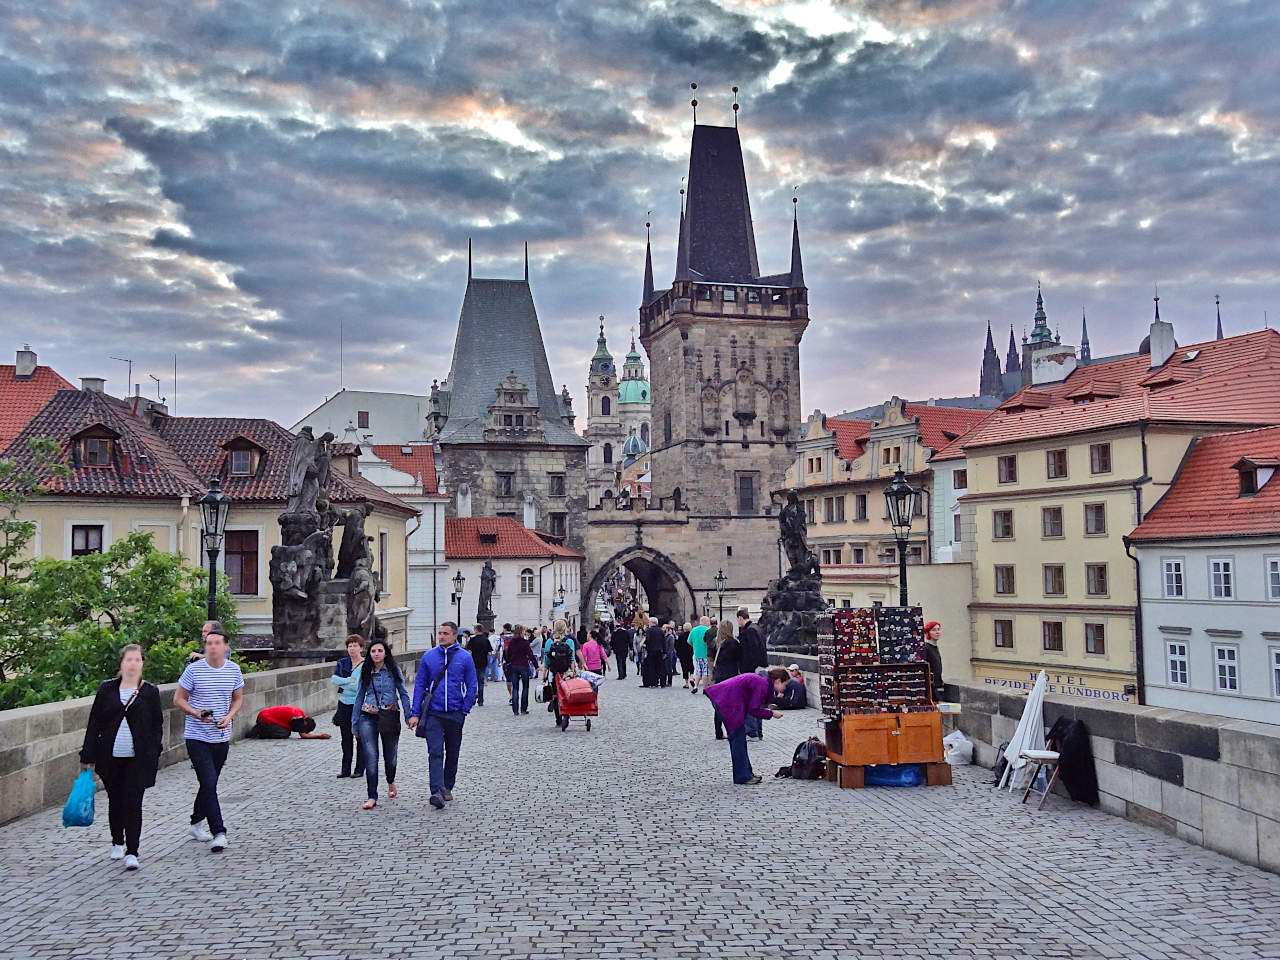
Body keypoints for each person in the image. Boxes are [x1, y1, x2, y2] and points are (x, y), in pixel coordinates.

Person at [79, 643, 163, 871]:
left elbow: (157, 724)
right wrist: (87, 755)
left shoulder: (150, 692)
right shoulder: (107, 690)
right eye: (129, 660)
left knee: (133, 803)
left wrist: (155, 749)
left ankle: (133, 850)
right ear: (121, 663)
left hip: (138, 757)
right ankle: (117, 840)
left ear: (142, 663)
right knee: (116, 801)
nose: (133, 664)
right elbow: (94, 722)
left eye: (137, 660)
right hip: (111, 756)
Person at [173, 622, 244, 852]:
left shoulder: (233, 669)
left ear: (225, 646)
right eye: (208, 643)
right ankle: (219, 832)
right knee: (209, 782)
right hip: (197, 735)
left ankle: (195, 822)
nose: (212, 647)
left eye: (216, 643)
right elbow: (178, 699)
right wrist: (195, 713)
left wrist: (230, 716)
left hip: (221, 735)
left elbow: (238, 699)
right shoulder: (193, 670)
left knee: (208, 783)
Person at [411, 621, 479, 809]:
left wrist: (465, 708)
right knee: (435, 752)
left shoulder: (464, 657)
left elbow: (472, 684)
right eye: (439, 633)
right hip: (434, 712)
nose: (441, 636)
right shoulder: (429, 657)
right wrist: (415, 713)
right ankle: (437, 791)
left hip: (456, 712)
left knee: (453, 751)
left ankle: (448, 785)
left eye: (445, 633)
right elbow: (419, 685)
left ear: (454, 635)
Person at [351, 638, 413, 810]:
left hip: (390, 716)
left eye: (379, 651)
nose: (376, 654)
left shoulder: (393, 670)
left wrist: (409, 716)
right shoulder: (366, 670)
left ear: (385, 653)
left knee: (390, 756)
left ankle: (390, 781)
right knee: (371, 756)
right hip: (367, 716)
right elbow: (359, 697)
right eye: (373, 651)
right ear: (369, 654)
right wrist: (354, 724)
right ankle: (372, 796)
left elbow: (403, 693)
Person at [704, 667, 789, 785]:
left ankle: (747, 774)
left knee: (739, 739)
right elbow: (753, 710)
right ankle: (742, 776)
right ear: (778, 681)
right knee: (737, 739)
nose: (784, 688)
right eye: (784, 684)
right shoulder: (763, 684)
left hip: (726, 699)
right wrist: (772, 714)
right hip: (727, 701)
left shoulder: (762, 681)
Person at [331, 635, 366, 778]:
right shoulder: (342, 663)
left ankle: (359, 769)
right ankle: (345, 768)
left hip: (359, 704)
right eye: (350, 646)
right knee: (345, 737)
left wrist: (346, 682)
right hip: (344, 703)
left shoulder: (365, 664)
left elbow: (358, 685)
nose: (352, 648)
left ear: (361, 648)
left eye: (355, 646)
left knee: (360, 737)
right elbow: (334, 679)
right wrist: (349, 681)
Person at [736, 608, 768, 741]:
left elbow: (750, 653)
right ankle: (758, 732)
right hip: (760, 668)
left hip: (752, 670)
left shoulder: (748, 632)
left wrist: (746, 671)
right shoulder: (757, 628)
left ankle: (752, 732)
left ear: (740, 618)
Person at [709, 619, 741, 740]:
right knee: (731, 705)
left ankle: (718, 731)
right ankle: (731, 729)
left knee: (719, 705)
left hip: (719, 676)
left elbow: (711, 657)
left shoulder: (715, 642)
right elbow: (738, 658)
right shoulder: (733, 643)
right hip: (731, 676)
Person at [503, 622, 538, 715]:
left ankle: (515, 710)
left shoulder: (511, 642)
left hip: (514, 666)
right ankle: (523, 709)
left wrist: (509, 661)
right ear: (522, 632)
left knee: (515, 688)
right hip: (524, 665)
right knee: (525, 687)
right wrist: (536, 666)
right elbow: (530, 655)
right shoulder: (525, 642)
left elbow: (507, 654)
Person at [246, 705, 332, 739]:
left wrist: (319, 736)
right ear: (305, 724)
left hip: (264, 715)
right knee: (285, 733)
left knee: (286, 731)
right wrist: (319, 736)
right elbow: (303, 735)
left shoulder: (300, 714)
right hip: (265, 718)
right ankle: (261, 731)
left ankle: (261, 729)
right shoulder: (298, 718)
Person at [467, 626, 493, 706]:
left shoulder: (472, 640)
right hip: (483, 663)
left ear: (476, 630)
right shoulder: (486, 640)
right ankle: (480, 700)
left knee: (473, 682)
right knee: (481, 682)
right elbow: (489, 652)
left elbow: (469, 652)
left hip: (473, 663)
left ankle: (473, 698)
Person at [688, 616, 711, 695]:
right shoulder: (707, 630)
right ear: (705, 622)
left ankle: (695, 686)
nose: (709, 623)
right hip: (706, 654)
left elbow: (689, 641)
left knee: (698, 671)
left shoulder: (694, 630)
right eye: (708, 622)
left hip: (697, 653)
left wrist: (695, 646)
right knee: (705, 672)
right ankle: (705, 688)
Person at [923, 620, 944, 702]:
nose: (937, 632)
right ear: (928, 632)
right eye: (934, 630)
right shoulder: (926, 648)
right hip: (932, 688)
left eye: (938, 629)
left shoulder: (935, 647)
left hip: (938, 686)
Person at [676, 622, 694, 688]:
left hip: (683, 654)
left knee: (684, 668)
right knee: (691, 666)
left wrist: (678, 654)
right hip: (691, 653)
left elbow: (677, 646)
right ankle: (692, 677)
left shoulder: (680, 636)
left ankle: (686, 683)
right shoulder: (692, 635)